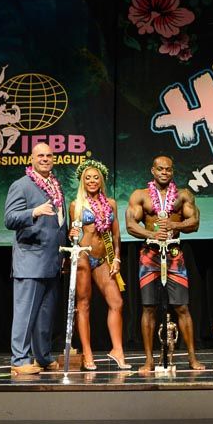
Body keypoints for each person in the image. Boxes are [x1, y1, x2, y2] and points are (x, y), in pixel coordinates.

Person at [126, 155, 205, 372]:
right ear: (153, 171)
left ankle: (192, 358)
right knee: (148, 307)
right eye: (160, 169)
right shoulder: (140, 195)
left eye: (168, 169)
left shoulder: (183, 195)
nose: (164, 172)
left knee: (182, 307)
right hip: (149, 254)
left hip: (174, 254)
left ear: (172, 171)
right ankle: (149, 360)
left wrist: (173, 224)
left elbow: (195, 222)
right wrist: (152, 234)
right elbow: (131, 224)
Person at [3, 142, 68, 374]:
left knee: (45, 314)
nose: (45, 159)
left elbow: (59, 222)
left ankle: (42, 356)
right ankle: (19, 360)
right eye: (40, 155)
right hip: (30, 261)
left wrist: (65, 248)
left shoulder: (56, 186)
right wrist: (33, 212)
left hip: (53, 260)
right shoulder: (21, 185)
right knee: (25, 313)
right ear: (31, 159)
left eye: (49, 155)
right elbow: (9, 219)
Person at [67, 159, 128, 371]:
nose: (92, 181)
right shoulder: (76, 205)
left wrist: (116, 258)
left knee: (117, 302)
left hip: (104, 258)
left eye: (95, 178)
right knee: (84, 304)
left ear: (101, 180)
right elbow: (73, 234)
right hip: (84, 255)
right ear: (82, 181)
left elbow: (116, 234)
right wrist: (72, 234)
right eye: (88, 178)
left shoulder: (110, 203)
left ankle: (117, 350)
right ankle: (87, 353)